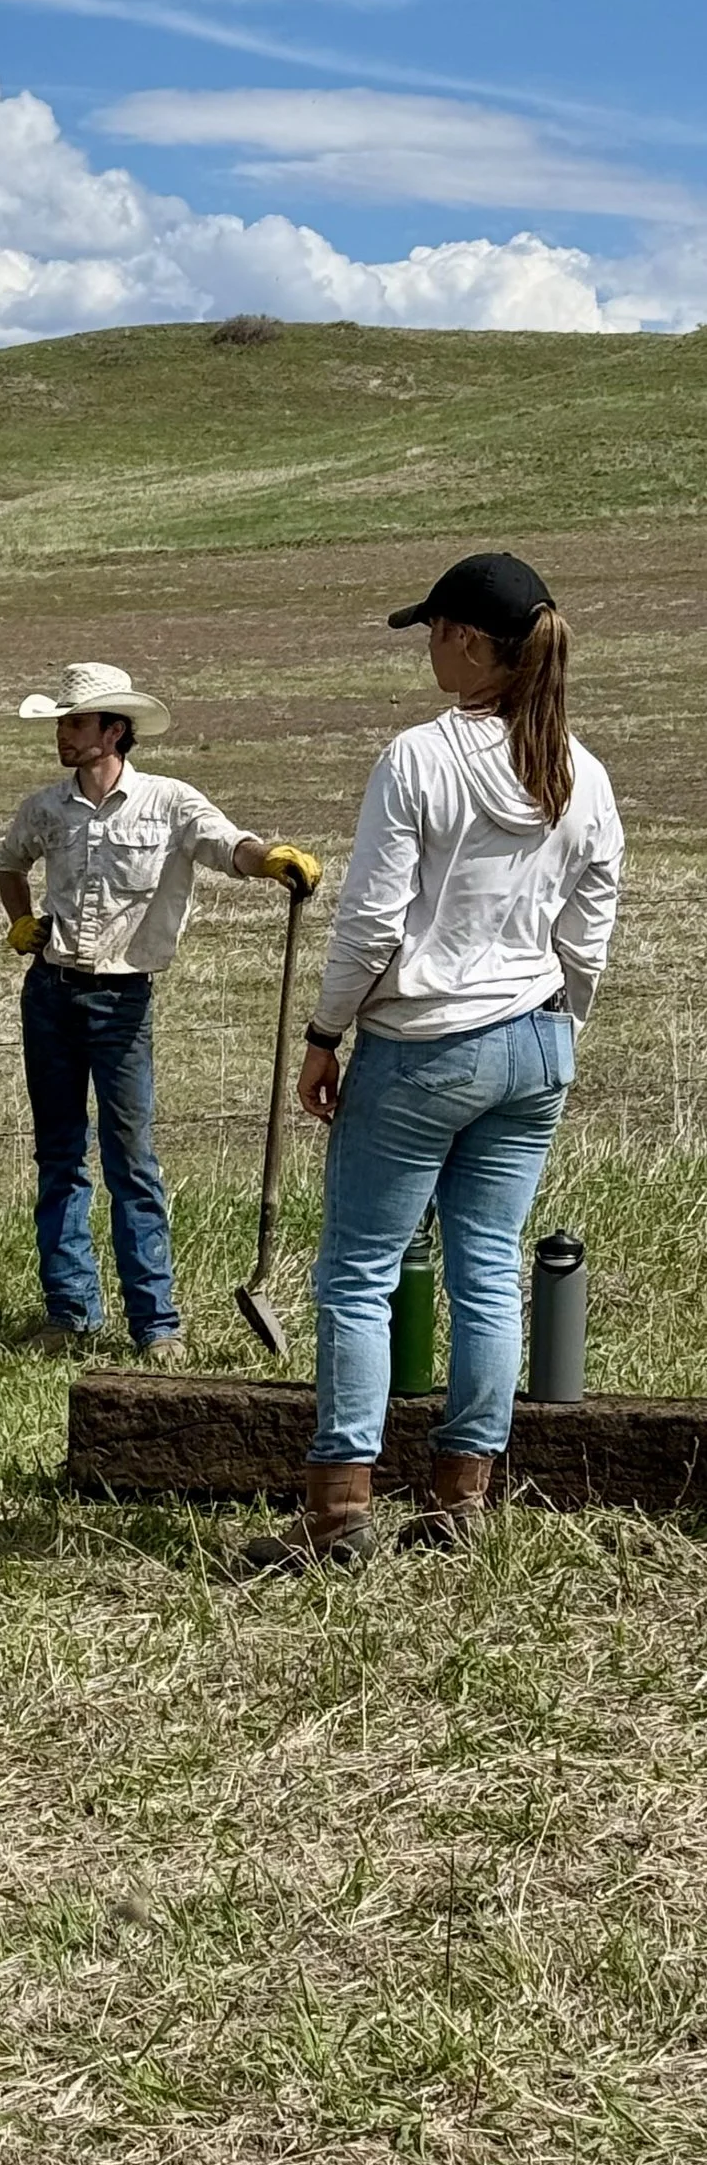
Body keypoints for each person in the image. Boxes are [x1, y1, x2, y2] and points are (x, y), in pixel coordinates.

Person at [282, 553, 623, 1560]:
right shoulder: (580, 771)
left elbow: (371, 918)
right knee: (485, 1269)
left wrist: (323, 1031)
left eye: (435, 631)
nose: (428, 647)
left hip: (427, 1042)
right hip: (535, 1042)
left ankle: (340, 1508)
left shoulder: (420, 758)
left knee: (356, 1273)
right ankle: (458, 1499)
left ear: (471, 643)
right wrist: (565, 1017)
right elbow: (591, 921)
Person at [0, 662, 321, 1356]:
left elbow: (227, 844)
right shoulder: (46, 809)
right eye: (62, 721)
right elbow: (8, 860)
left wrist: (269, 860)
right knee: (59, 1154)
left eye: (75, 721)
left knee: (131, 1161)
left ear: (115, 731)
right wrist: (22, 922)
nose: (63, 733)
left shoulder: (168, 802)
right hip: (49, 994)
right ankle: (70, 1312)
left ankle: (155, 1324)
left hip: (122, 1001)